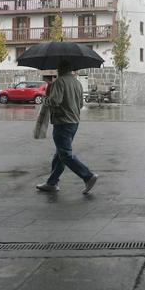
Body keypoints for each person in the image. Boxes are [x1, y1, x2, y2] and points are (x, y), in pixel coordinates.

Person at [36, 60, 99, 194]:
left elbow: (55, 101)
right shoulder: (77, 83)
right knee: (59, 154)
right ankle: (52, 183)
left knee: (65, 155)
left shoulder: (59, 82)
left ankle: (88, 176)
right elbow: (81, 105)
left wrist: (45, 98)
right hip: (74, 122)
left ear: (61, 68)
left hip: (62, 122)